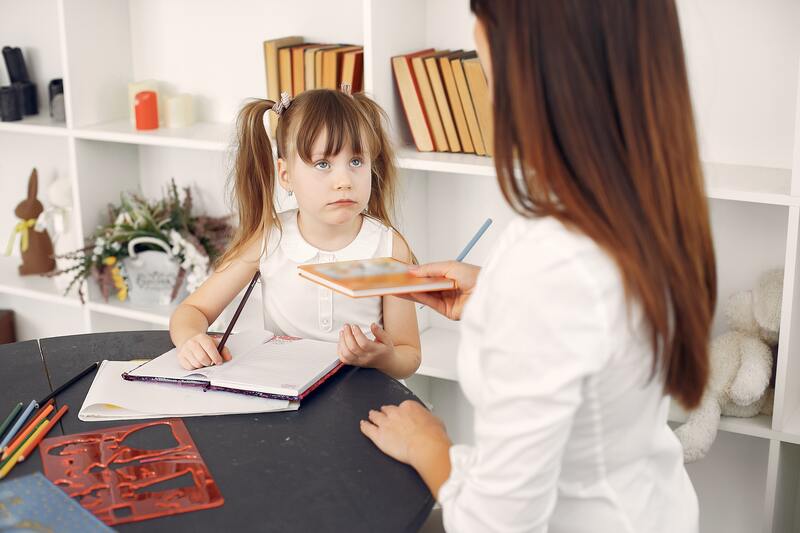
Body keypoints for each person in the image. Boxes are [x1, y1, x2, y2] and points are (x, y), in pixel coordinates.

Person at [360, 1, 716, 531]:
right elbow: (598, 339)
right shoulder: (648, 201)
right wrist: (498, 300)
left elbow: (493, 523)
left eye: (485, 64)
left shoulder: (549, 266)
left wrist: (430, 443)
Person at [169, 87, 421, 380]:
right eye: (323, 164)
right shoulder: (270, 238)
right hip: (285, 394)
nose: (344, 181)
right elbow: (192, 310)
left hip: (361, 395)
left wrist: (385, 358)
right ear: (286, 175)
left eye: (356, 162)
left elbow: (409, 354)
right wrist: (190, 339)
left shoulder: (389, 247)